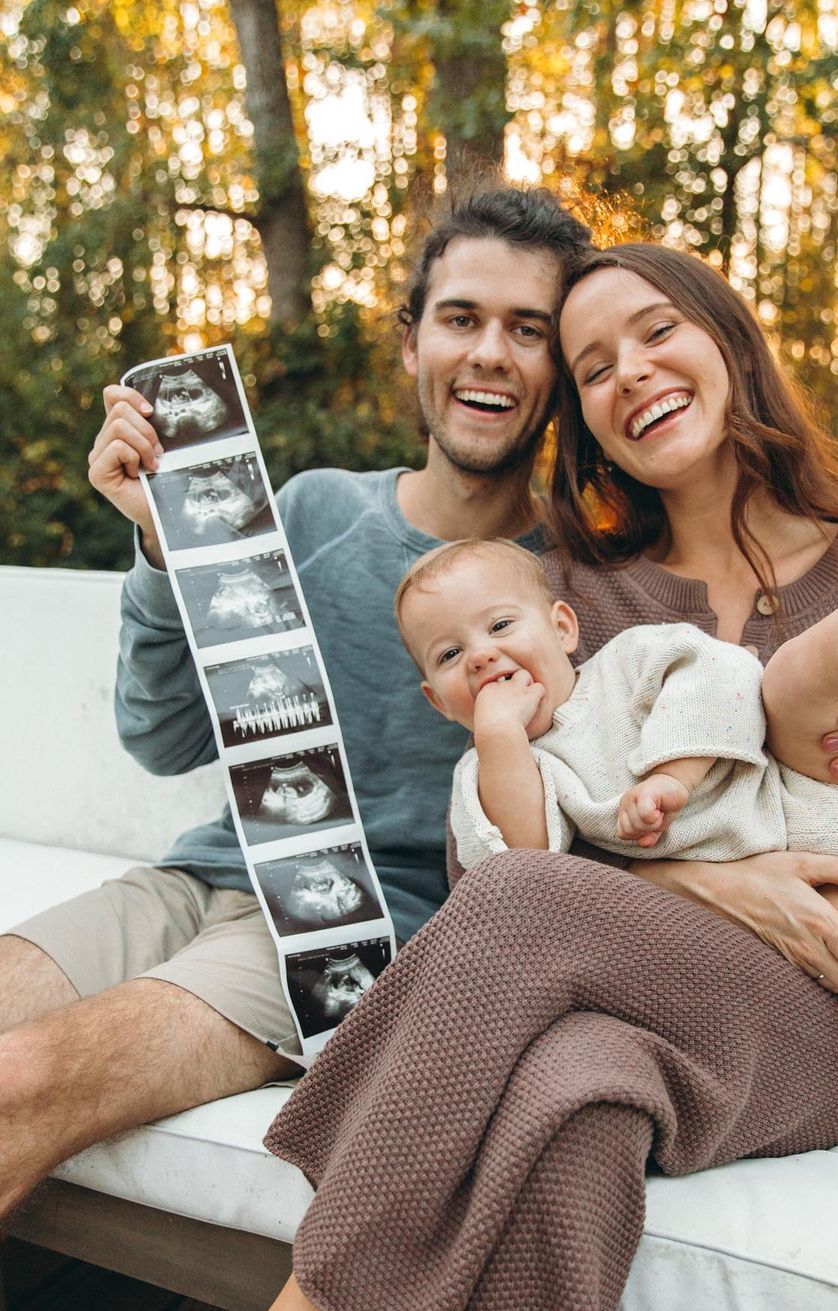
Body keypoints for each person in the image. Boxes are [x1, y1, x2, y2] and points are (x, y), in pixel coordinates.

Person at [247, 244, 838, 1311]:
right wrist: (716, 881)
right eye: (591, 365)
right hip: (647, 1001)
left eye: (657, 330)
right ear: (583, 417)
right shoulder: (578, 593)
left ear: (728, 342)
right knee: (575, 1096)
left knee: (528, 909)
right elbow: (496, 851)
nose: (629, 370)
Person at [0, 184, 593, 1221]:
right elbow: (161, 734)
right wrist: (158, 547)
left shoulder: (577, 586)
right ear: (413, 343)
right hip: (203, 871)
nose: (491, 351)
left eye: (527, 329)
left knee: (19, 1085)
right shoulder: (315, 507)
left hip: (349, 930)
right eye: (462, 318)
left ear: (560, 369)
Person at [395, 530, 838, 1044]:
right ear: (437, 699)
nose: (482, 654)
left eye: (500, 625)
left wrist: (673, 775)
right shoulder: (490, 773)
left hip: (796, 786)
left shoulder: (630, 660)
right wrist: (501, 739)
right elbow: (522, 868)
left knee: (796, 676)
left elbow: (720, 674)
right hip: (823, 894)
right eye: (451, 654)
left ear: (564, 626)